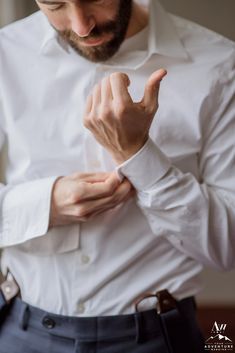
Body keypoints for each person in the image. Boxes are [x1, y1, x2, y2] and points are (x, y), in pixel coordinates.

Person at [0, 0, 234, 352]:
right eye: (55, 4)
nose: (81, 26)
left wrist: (138, 156)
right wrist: (45, 205)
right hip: (19, 331)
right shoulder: (6, 53)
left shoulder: (220, 65)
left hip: (158, 337)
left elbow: (227, 248)